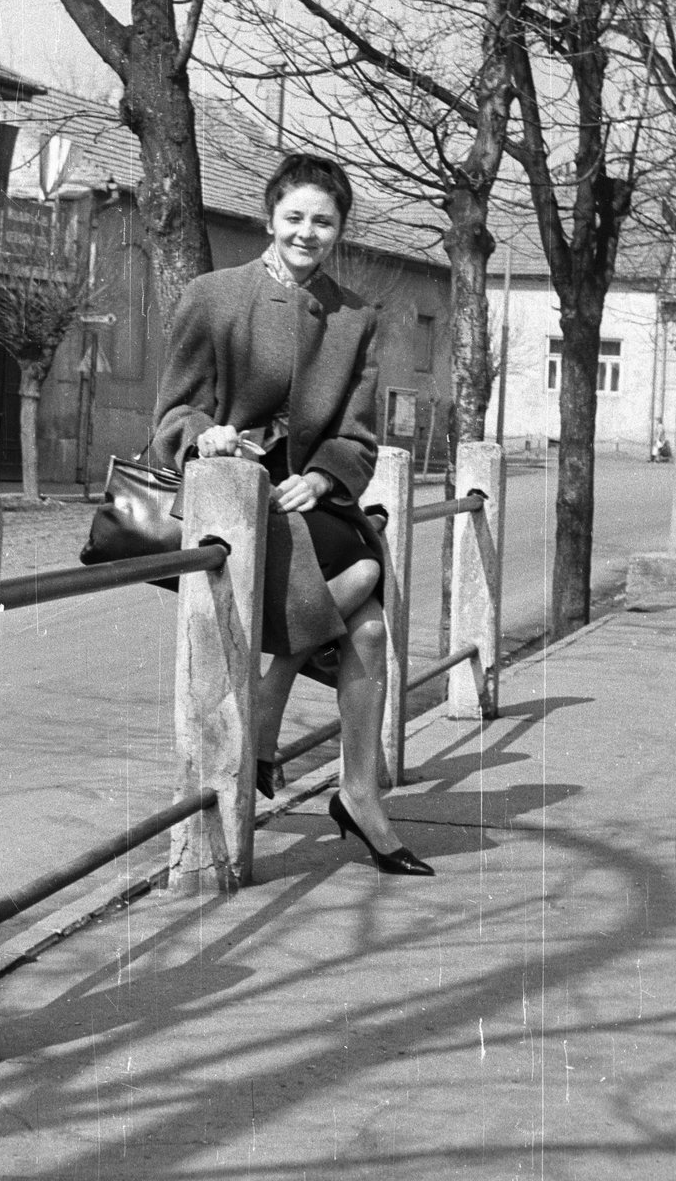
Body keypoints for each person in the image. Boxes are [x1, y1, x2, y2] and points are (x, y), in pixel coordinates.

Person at [152, 152, 433, 877]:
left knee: (369, 603)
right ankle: (354, 789)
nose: (308, 233)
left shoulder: (356, 318)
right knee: (367, 610)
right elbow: (168, 419)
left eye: (325, 221)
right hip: (235, 500)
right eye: (296, 218)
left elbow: (360, 439)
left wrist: (322, 476)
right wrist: (202, 434)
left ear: (341, 229)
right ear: (270, 218)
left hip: (307, 499)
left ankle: (280, 706)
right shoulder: (212, 297)